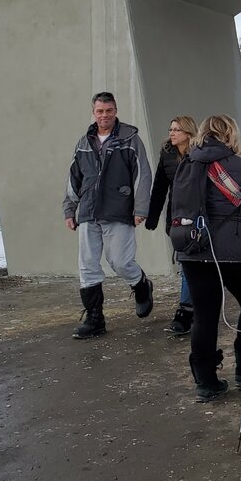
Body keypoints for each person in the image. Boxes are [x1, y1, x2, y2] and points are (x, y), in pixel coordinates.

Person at [170, 115, 241, 402]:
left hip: (193, 249)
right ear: (230, 135)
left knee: (204, 315)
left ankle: (206, 380)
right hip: (237, 252)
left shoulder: (186, 165)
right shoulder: (240, 166)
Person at [63, 92, 154, 339]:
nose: (104, 115)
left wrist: (140, 209)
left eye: (109, 110)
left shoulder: (130, 139)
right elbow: (74, 180)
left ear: (116, 111)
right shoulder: (83, 143)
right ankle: (95, 319)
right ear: (93, 112)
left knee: (120, 262)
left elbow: (143, 175)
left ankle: (141, 285)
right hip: (88, 212)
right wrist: (70, 209)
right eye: (100, 111)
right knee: (88, 266)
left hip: (119, 210)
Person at [145, 115, 199, 336]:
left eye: (177, 129)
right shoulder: (167, 153)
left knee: (195, 266)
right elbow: (160, 186)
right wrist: (152, 217)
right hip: (176, 219)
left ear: (188, 132)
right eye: (171, 129)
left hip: (198, 218)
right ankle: (186, 311)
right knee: (186, 264)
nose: (172, 133)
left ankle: (192, 309)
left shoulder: (200, 154)